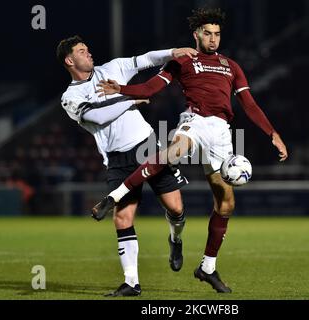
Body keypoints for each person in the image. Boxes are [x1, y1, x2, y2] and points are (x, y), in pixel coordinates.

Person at [92, 8, 288, 293]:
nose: (213, 39)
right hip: (194, 121)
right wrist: (120, 88)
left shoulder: (231, 66)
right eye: (207, 33)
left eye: (217, 34)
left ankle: (207, 267)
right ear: (196, 34)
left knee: (226, 203)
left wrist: (273, 133)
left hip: (221, 132)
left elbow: (249, 104)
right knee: (173, 152)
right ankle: (115, 196)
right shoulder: (182, 61)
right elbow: (149, 89)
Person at [57, 35, 198, 297]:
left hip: (147, 145)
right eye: (81, 51)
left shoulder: (112, 68)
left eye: (87, 49)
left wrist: (173, 51)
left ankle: (175, 239)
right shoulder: (70, 96)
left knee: (176, 208)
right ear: (69, 60)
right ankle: (131, 282)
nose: (89, 54)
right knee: (122, 218)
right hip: (117, 158)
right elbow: (95, 116)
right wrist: (130, 99)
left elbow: (146, 60)